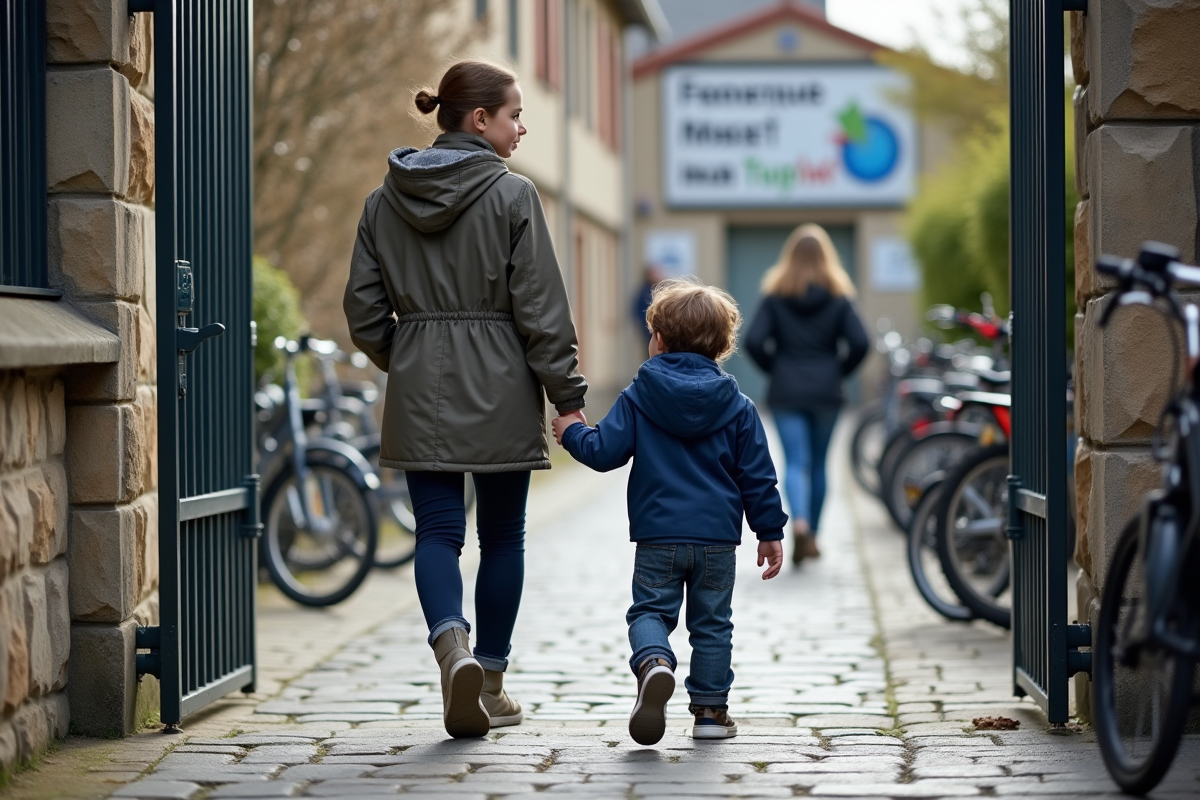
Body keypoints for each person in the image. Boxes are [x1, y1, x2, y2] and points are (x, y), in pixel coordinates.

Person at [343, 60, 588, 739]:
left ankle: (449, 645)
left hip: (420, 387)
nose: (522, 127)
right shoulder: (514, 198)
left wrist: (412, 358)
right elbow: (542, 311)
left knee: (437, 533)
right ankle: (491, 680)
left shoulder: (381, 200)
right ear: (479, 119)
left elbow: (363, 313)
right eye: (514, 115)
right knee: (502, 535)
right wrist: (566, 399)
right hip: (503, 390)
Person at [551, 278, 787, 745]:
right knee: (713, 625)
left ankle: (655, 662)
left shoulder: (640, 395)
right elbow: (758, 476)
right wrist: (770, 531)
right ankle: (711, 716)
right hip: (717, 541)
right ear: (722, 346)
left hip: (658, 537)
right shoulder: (738, 407)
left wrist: (571, 431)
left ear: (657, 338)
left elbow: (604, 452)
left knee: (649, 613)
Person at [744, 224, 869, 566]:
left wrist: (776, 368)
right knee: (819, 465)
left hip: (787, 390)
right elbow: (861, 342)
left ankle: (797, 522)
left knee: (796, 462)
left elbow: (753, 341)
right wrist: (838, 370)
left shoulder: (775, 295)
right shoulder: (838, 295)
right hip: (827, 391)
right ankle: (812, 532)